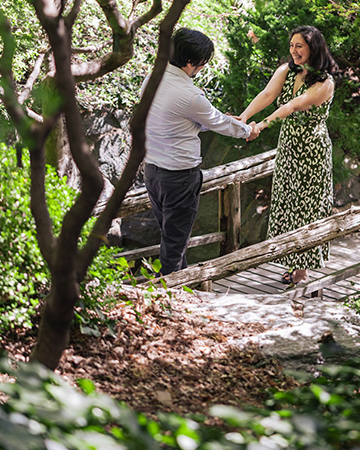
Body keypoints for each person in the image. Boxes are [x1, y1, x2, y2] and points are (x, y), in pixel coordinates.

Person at [144, 28, 261, 275]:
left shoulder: (152, 79)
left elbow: (180, 119)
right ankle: (169, 298)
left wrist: (222, 120)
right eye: (202, 63)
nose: (202, 67)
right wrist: (246, 131)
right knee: (175, 244)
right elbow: (218, 122)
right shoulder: (190, 94)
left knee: (171, 236)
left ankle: (178, 290)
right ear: (190, 63)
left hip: (152, 171)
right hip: (179, 177)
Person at [237, 25, 338, 286]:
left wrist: (262, 125)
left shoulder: (325, 83)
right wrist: (245, 117)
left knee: (308, 207)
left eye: (299, 46)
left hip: (312, 151)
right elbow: (269, 95)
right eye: (291, 45)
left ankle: (303, 271)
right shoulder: (286, 70)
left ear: (313, 48)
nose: (294, 51)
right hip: (289, 147)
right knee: (288, 202)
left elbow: (292, 105)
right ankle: (294, 262)